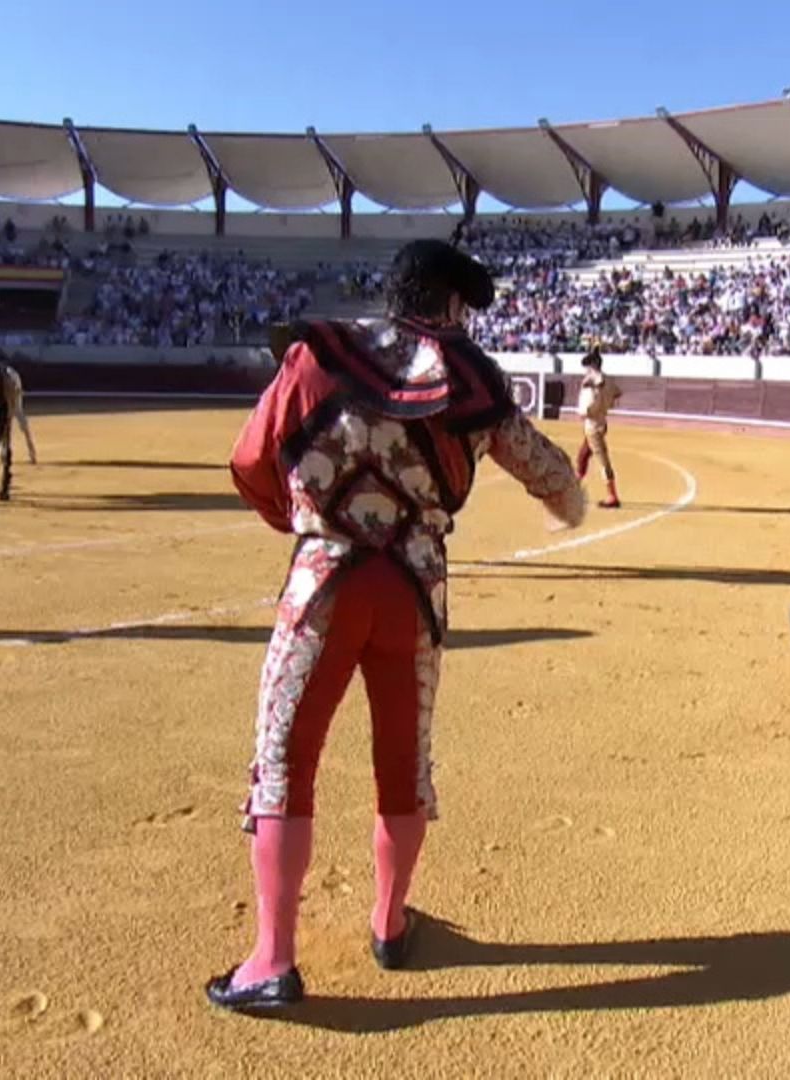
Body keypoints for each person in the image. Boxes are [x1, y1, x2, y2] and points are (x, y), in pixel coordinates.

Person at [209, 240, 585, 1012]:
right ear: (451, 303)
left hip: (322, 586)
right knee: (403, 764)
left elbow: (249, 461)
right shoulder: (472, 377)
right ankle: (388, 924)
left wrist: (306, 519)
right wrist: (561, 503)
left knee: (284, 762)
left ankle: (272, 960)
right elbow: (557, 483)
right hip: (414, 590)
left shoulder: (318, 355)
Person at [575, 351, 623, 509]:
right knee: (582, 456)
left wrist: (586, 412)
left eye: (587, 367)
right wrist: (607, 403)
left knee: (603, 461)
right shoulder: (607, 380)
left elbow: (591, 405)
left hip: (593, 426)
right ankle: (572, 490)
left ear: (592, 366)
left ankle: (612, 496)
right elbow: (617, 392)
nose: (586, 370)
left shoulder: (593, 383)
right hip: (601, 423)